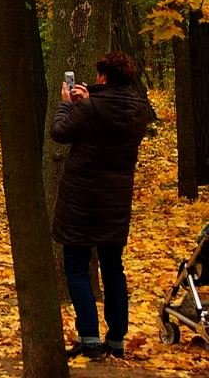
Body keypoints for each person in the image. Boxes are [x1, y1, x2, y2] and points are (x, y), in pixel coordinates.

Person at [50, 51, 149, 359]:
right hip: (116, 200)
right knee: (113, 268)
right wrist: (88, 99)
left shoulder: (89, 108)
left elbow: (59, 132)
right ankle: (117, 338)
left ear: (104, 76)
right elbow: (111, 116)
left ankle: (89, 336)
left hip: (81, 198)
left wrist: (68, 103)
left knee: (77, 267)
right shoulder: (139, 110)